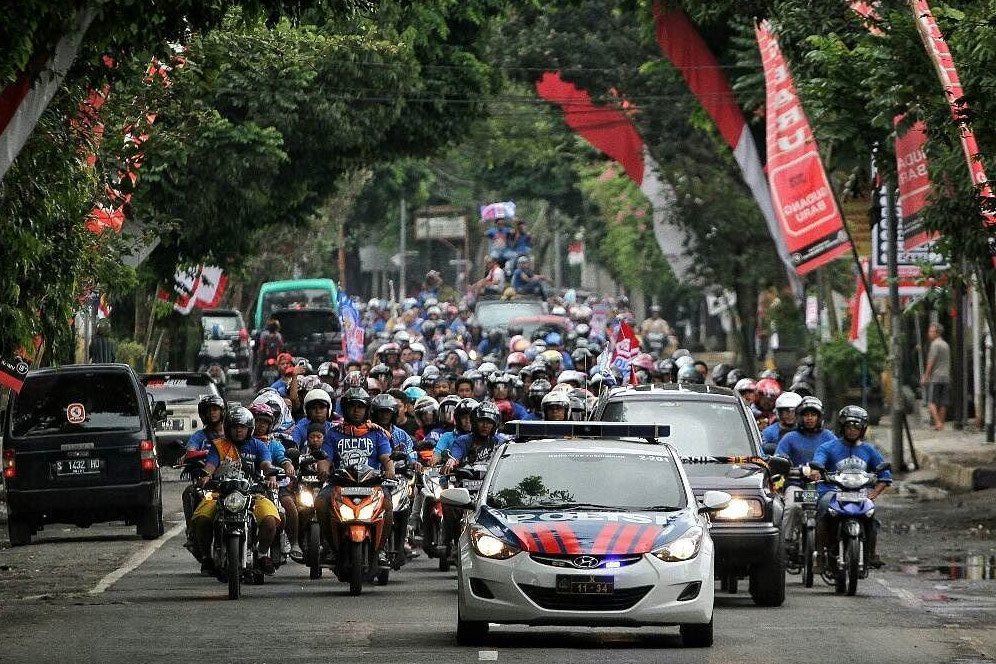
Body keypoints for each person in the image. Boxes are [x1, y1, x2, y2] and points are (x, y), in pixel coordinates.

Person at [190, 406, 281, 575]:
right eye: (235, 427)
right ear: (228, 428)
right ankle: (206, 557)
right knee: (202, 519)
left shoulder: (259, 446)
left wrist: (270, 475)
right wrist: (206, 476)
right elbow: (211, 465)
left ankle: (261, 555)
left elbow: (266, 464)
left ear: (249, 429)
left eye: (242, 427)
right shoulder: (219, 446)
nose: (239, 431)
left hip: (253, 493)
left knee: (270, 520)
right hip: (219, 493)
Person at [314, 388, 395, 567]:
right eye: (352, 406)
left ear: (367, 410)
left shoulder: (377, 433)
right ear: (345, 409)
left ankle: (381, 549)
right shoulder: (334, 433)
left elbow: (385, 457)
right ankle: (329, 547)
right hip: (340, 483)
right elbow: (325, 458)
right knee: (320, 501)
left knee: (388, 503)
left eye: (360, 407)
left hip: (371, 484)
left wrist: (390, 469)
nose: (356, 410)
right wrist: (323, 470)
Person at [811, 405, 892, 569]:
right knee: (823, 511)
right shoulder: (828, 447)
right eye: (849, 426)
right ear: (842, 427)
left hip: (860, 493)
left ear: (862, 429)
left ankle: (871, 553)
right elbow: (818, 460)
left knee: (871, 516)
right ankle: (820, 555)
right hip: (831, 492)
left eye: (857, 427)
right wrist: (817, 470)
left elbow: (884, 474)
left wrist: (874, 493)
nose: (852, 431)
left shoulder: (869, 450)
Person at [249, 402, 300, 560]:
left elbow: (282, 458)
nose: (260, 426)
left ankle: (293, 542)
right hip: (248, 487)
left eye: (264, 422)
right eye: (257, 421)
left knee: (288, 507)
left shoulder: (273, 443)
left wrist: (288, 466)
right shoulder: (243, 443)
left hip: (273, 487)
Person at [181, 394, 227, 554]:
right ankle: (193, 533)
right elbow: (190, 451)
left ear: (222, 412)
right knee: (190, 494)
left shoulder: (232, 434)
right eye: (209, 411)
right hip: (211, 489)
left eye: (215, 409)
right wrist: (189, 456)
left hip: (232, 485)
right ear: (203, 415)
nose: (212, 413)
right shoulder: (199, 436)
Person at [444, 402, 509, 471]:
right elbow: (456, 454)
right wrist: (452, 460)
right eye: (481, 421)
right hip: (466, 479)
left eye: (489, 422)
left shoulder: (501, 443)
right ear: (474, 423)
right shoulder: (463, 440)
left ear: (494, 426)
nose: (485, 426)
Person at [774, 397, 836, 467]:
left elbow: (841, 456)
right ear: (800, 417)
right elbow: (778, 459)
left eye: (813, 415)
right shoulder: (790, 437)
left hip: (824, 477)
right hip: (795, 477)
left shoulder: (828, 436)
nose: (809, 418)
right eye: (806, 415)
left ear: (819, 418)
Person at [921, 321, 950, 431]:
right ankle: (941, 423)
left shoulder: (935, 345)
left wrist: (926, 376)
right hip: (946, 377)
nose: (929, 333)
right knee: (943, 402)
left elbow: (931, 361)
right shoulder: (945, 344)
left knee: (931, 402)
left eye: (931, 331)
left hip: (936, 377)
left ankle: (937, 422)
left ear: (937, 333)